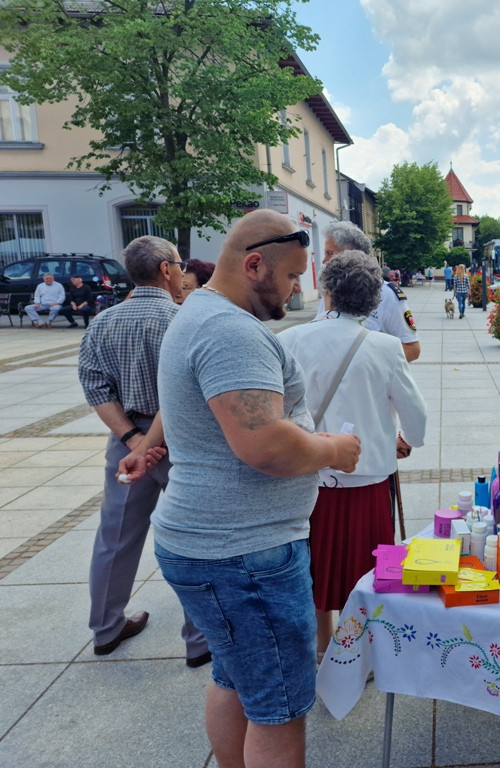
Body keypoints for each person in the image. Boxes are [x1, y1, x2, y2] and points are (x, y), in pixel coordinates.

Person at [121, 209, 360, 768]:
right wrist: (333, 449)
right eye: (295, 275)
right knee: (279, 708)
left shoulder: (198, 311)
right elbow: (265, 445)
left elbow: (194, 400)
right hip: (244, 555)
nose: (300, 288)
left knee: (235, 679)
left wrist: (148, 442)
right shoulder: (231, 331)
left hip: (214, 546)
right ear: (255, 265)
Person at [278, 251, 427, 656]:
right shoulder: (385, 346)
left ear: (327, 292)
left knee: (316, 565)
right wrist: (406, 439)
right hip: (368, 476)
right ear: (373, 300)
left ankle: (324, 643)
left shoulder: (288, 340)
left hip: (307, 473)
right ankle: (359, 648)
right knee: (367, 569)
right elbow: (416, 416)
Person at [77, 236, 208, 665]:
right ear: (167, 269)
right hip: (179, 443)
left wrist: (132, 440)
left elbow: (94, 385)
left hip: (126, 441)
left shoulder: (102, 321)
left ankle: (105, 628)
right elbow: (190, 391)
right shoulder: (182, 320)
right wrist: (151, 441)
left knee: (115, 537)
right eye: (179, 264)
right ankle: (199, 639)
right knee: (195, 538)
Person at [318, 220, 420, 362]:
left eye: (330, 254)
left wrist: (364, 362)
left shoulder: (387, 295)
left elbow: (412, 349)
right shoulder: (330, 292)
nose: (324, 260)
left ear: (352, 256)